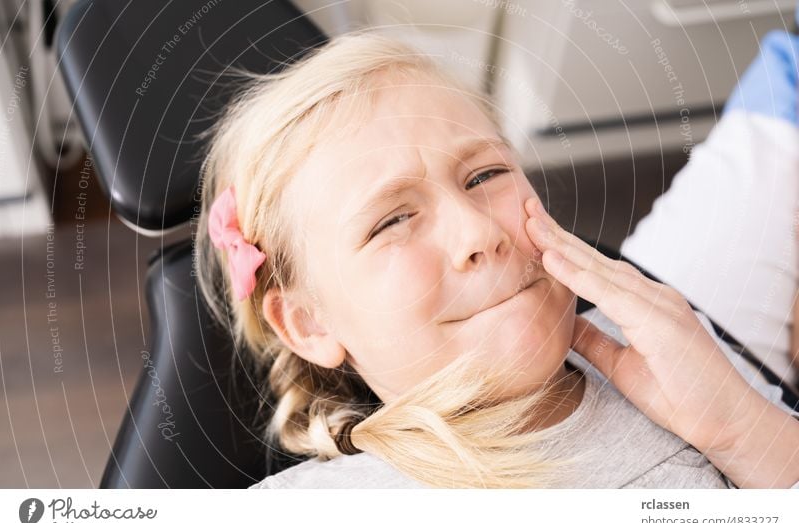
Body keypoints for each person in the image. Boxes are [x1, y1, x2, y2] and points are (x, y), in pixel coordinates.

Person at [194, 29, 799, 489]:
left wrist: (742, 429)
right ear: (309, 322)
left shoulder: (671, 349)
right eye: (393, 219)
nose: (479, 230)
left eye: (485, 174)